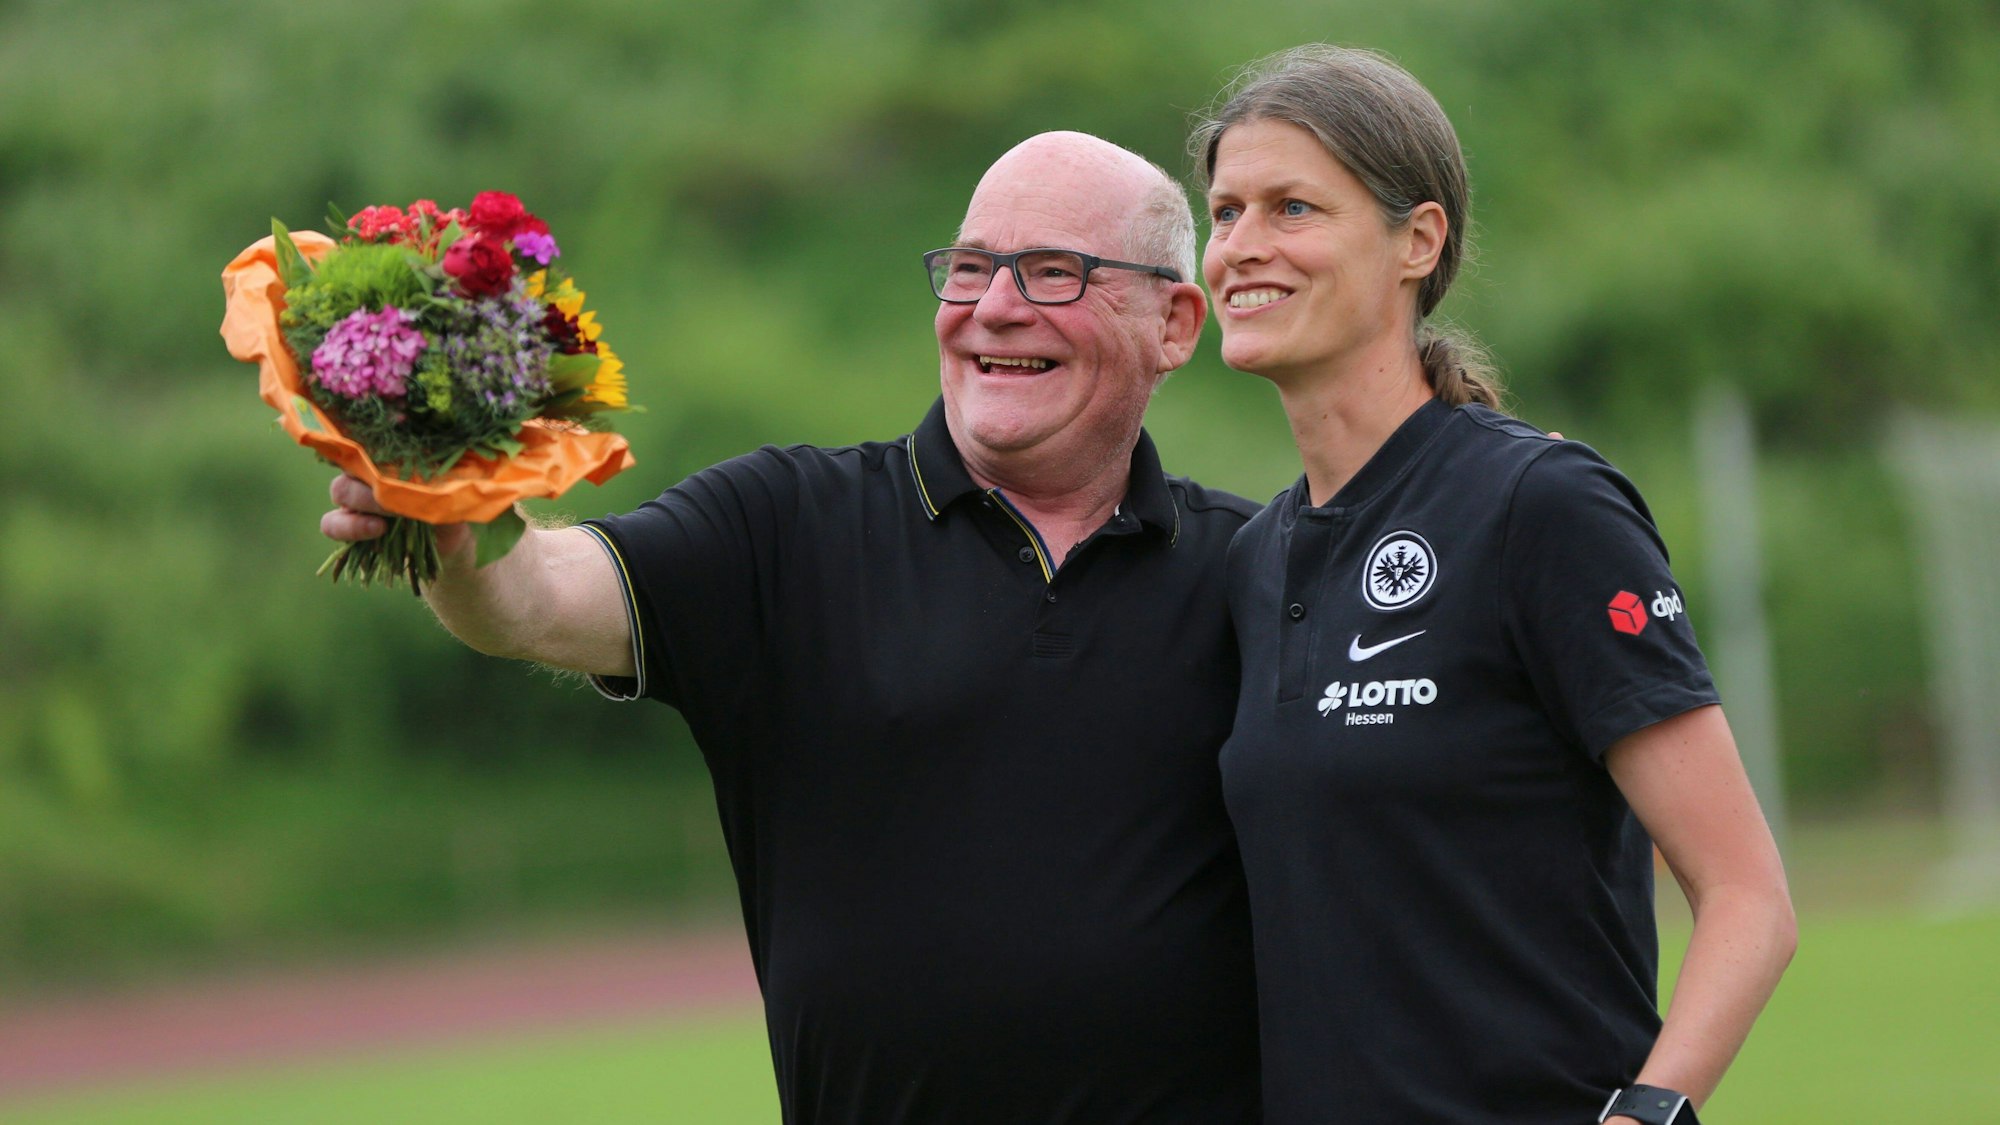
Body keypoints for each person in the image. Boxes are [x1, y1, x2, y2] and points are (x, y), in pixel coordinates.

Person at [321, 132, 1262, 1123]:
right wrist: (461, 527)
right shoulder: (784, 523)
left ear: (1174, 321)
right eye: (971, 268)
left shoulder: (1263, 570)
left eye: (1053, 273)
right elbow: (542, 600)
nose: (993, 306)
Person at [1190, 45, 1796, 1124]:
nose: (1241, 247)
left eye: (1291, 209)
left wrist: (1645, 1115)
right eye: (1225, 211)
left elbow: (1748, 897)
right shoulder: (1250, 559)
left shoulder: (1539, 507)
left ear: (1416, 241)